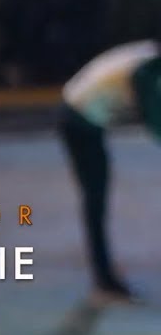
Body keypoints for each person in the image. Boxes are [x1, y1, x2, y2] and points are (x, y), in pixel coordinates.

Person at [57, 37, 161, 305]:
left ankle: (103, 275)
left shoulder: (147, 56)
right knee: (95, 197)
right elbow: (154, 117)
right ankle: (104, 279)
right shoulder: (148, 69)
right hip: (78, 120)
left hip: (83, 114)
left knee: (95, 199)